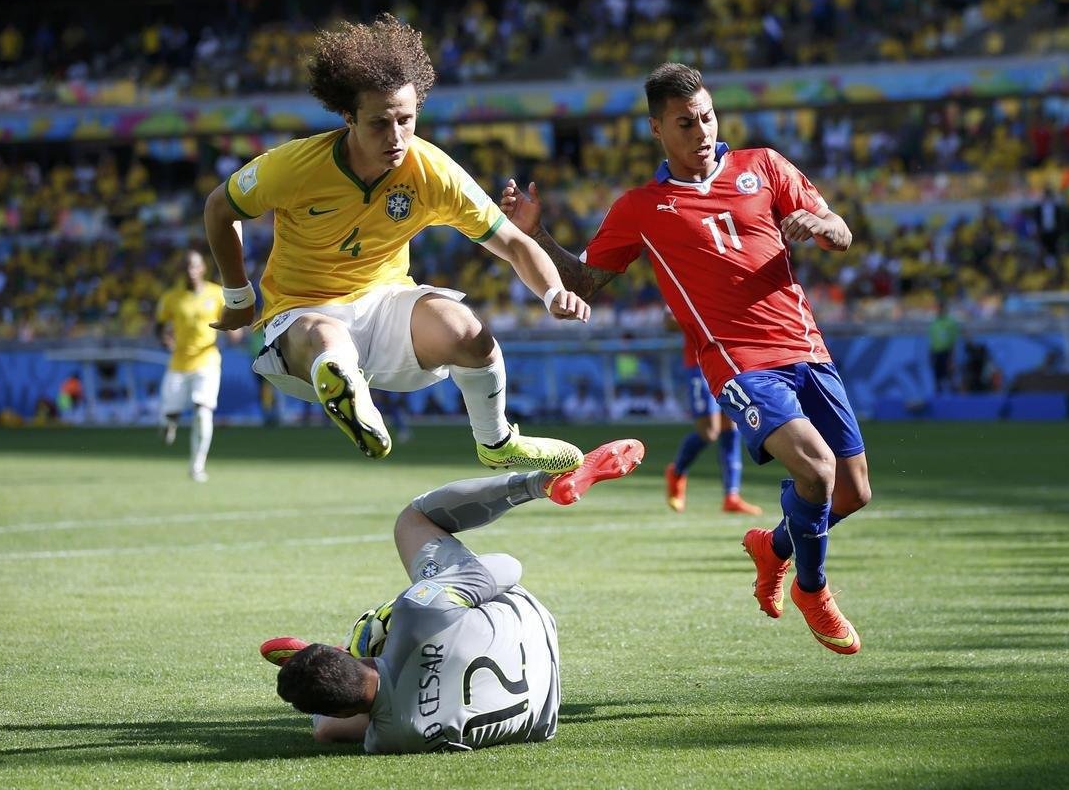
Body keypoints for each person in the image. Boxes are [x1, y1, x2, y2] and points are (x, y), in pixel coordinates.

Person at [500, 63, 872, 654]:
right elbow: (585, 279)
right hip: (739, 360)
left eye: (706, 117)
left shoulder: (764, 166)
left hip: (807, 347)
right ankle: (813, 589)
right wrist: (532, 235)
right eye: (684, 123)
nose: (700, 131)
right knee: (817, 471)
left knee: (852, 492)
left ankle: (772, 547)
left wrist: (821, 224)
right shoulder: (642, 208)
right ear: (656, 129)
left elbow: (842, 232)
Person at [202, 14, 587, 475]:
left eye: (406, 120)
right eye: (380, 124)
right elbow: (218, 210)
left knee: (468, 332)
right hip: (302, 311)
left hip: (385, 302)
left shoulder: (432, 172)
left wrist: (551, 293)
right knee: (329, 340)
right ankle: (349, 396)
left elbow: (512, 242)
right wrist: (238, 296)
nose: (397, 137)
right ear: (348, 117)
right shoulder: (295, 166)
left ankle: (497, 442)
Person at [261, 438, 646, 753]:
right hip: (527, 621)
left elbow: (329, 728)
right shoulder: (416, 612)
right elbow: (508, 567)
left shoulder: (389, 740)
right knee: (413, 520)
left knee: (327, 731)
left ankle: (326, 677)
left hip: (543, 707)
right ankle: (539, 484)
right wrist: (422, 599)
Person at [155, 249, 237, 482]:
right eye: (186, 267)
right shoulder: (171, 297)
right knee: (169, 417)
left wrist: (235, 332)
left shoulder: (216, 293)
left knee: (203, 412)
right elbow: (160, 325)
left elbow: (232, 320)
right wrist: (165, 339)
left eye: (194, 266)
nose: (190, 271)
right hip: (179, 363)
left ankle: (197, 466)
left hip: (207, 360)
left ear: (202, 268)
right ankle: (168, 423)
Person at [665, 335, 763, 515]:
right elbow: (668, 321)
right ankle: (677, 472)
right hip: (700, 364)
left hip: (728, 362)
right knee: (709, 432)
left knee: (732, 427)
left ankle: (731, 496)